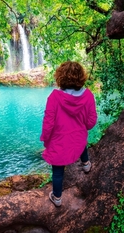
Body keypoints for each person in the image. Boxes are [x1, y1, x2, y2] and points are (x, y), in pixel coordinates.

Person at [40, 61, 98, 207]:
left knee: (58, 173)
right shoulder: (88, 95)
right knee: (81, 141)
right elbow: (91, 122)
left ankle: (57, 198)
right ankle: (86, 164)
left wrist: (46, 140)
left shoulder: (54, 97)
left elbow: (48, 124)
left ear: (61, 77)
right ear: (81, 77)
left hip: (59, 141)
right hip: (78, 139)